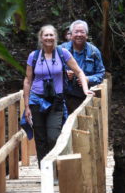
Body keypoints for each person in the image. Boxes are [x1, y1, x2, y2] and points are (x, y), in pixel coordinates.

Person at [23, 24, 94, 166]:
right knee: (40, 138)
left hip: (56, 100)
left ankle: (54, 168)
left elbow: (79, 71)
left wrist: (85, 89)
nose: (49, 38)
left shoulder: (62, 53)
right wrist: (26, 106)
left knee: (53, 136)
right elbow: (27, 80)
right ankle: (44, 170)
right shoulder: (34, 56)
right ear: (41, 38)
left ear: (55, 37)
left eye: (51, 35)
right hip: (37, 100)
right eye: (46, 35)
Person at [61, 20, 105, 114]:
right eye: (76, 32)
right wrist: (63, 74)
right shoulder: (61, 50)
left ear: (87, 35)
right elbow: (49, 71)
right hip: (62, 97)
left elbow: (101, 73)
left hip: (84, 98)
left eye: (82, 32)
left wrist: (88, 79)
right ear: (71, 34)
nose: (79, 35)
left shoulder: (94, 52)